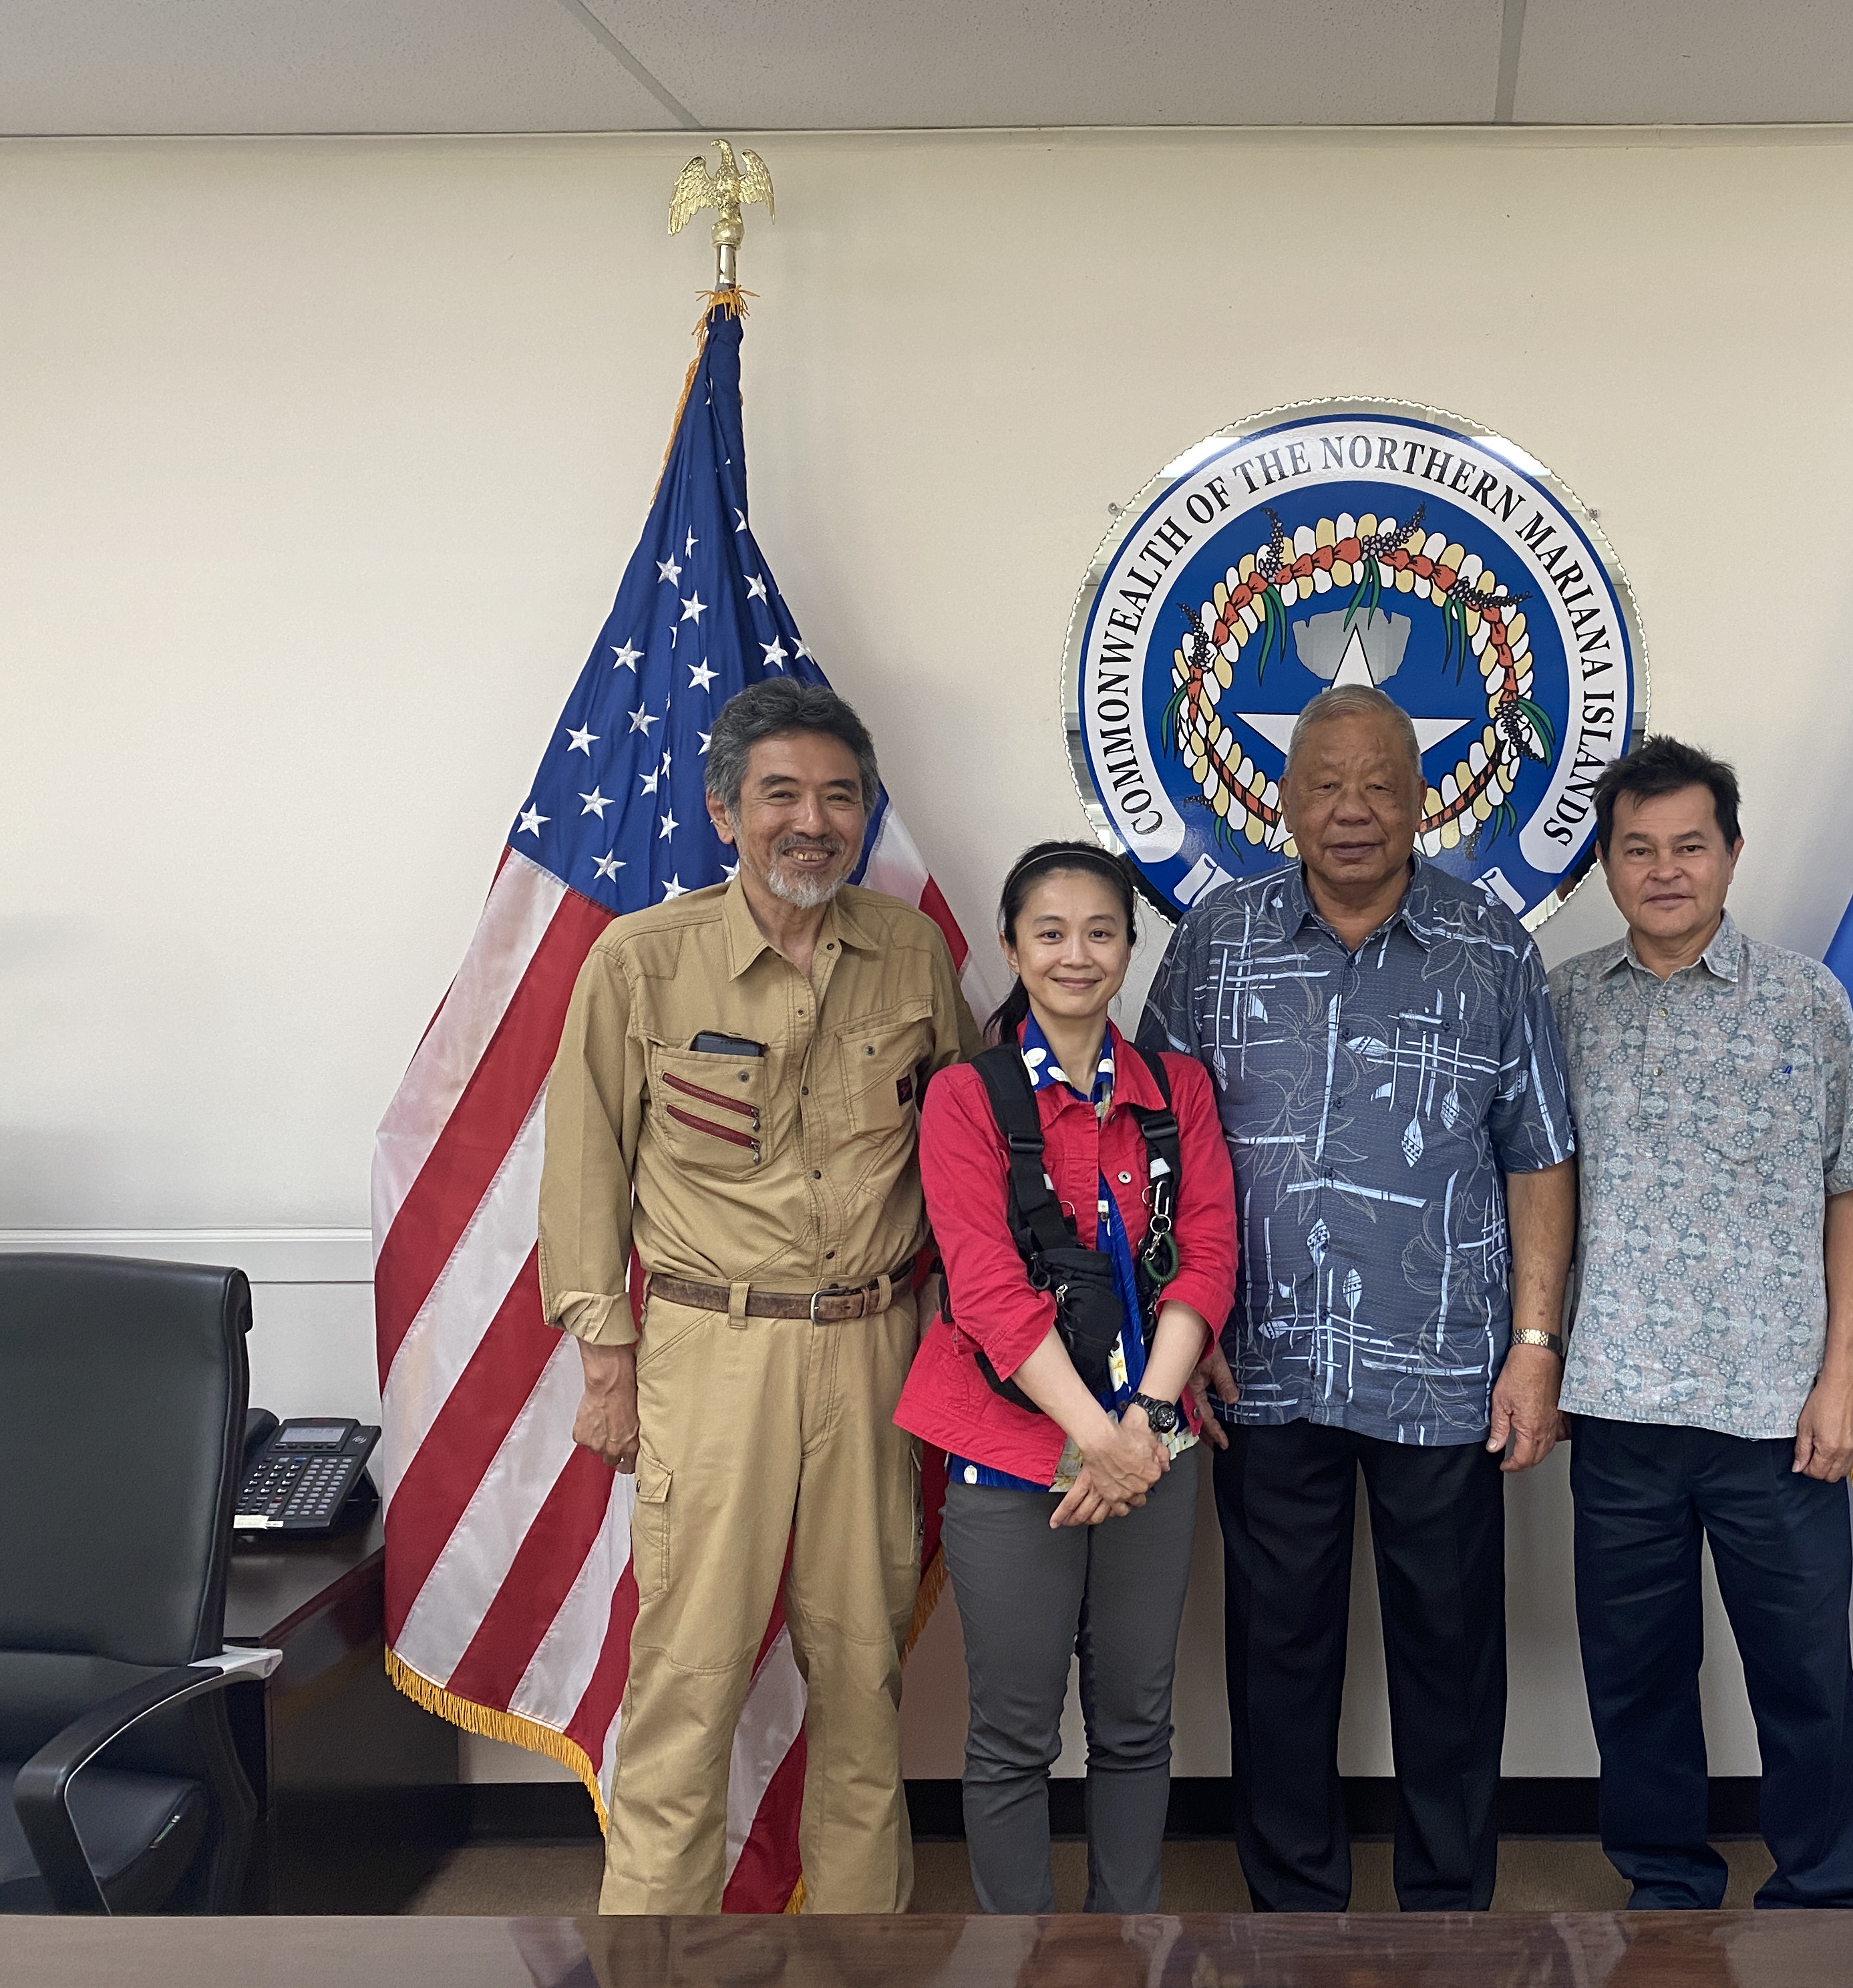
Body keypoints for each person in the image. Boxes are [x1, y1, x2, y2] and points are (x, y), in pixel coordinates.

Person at [540, 677, 980, 1915]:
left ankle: (858, 1954)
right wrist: (609, 1368)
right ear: (726, 809)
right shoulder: (643, 963)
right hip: (712, 1352)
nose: (814, 821)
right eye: (782, 793)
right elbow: (582, 1177)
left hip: (876, 1350)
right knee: (686, 1681)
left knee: (862, 1684)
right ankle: (650, 1952)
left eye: (841, 797)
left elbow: (959, 1159)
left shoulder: (910, 953)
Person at [1138, 685, 1578, 1914]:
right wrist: (1191, 1321)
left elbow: (1538, 1152)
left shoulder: (1492, 949)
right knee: (1278, 1659)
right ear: (1280, 799)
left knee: (1451, 1656)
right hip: (1262, 1367)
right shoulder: (1215, 943)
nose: (1352, 810)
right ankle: (1294, 1915)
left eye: (1380, 783)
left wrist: (1535, 1343)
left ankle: (1451, 1909)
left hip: (1442, 1366)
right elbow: (1160, 1139)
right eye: (1325, 783)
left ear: (1424, 798)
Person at [1546, 736, 1853, 1911]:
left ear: (1732, 855)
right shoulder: (1564, 1009)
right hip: (1617, 1409)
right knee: (1637, 1677)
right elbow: (1532, 1195)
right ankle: (1666, 1885)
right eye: (1638, 849)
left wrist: (1842, 1376)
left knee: (1804, 1674)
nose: (1665, 871)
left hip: (1777, 1413)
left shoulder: (1806, 1001)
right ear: (1607, 864)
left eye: (1689, 847)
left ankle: (1823, 1890)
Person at [899, 842, 1238, 1915]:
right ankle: (1019, 1955)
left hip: (1156, 1449)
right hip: (1012, 1452)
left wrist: (1140, 1424)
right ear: (1011, 947)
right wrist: (1099, 1438)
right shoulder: (966, 1098)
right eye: (1050, 933)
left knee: (1137, 1719)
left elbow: (1211, 1259)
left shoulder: (1177, 1089)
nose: (1076, 954)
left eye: (1100, 932)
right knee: (1014, 1730)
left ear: (1131, 950)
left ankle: (1123, 1941)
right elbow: (990, 1290)